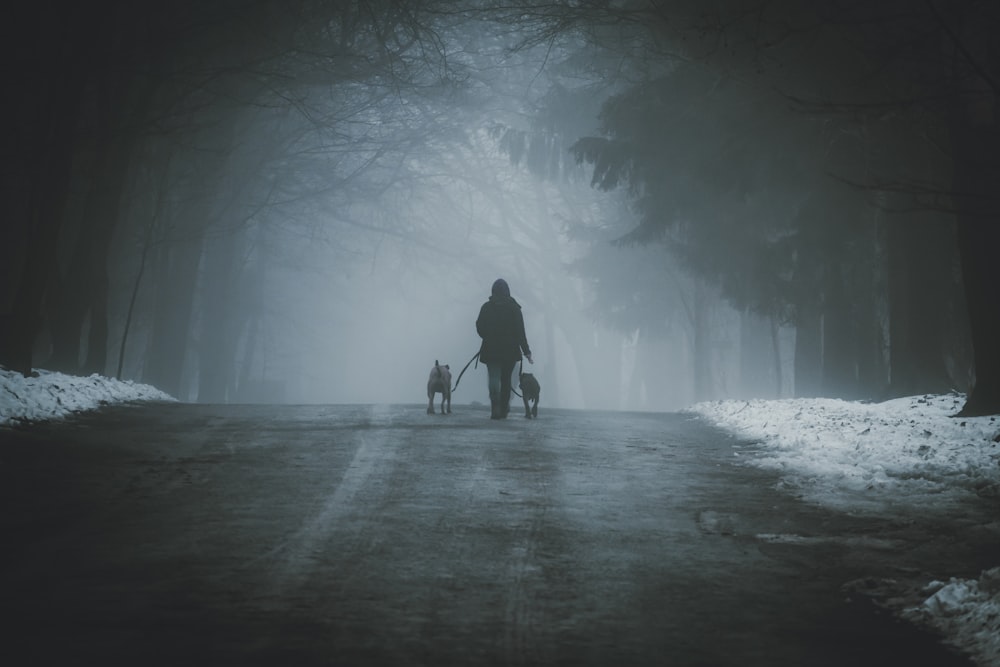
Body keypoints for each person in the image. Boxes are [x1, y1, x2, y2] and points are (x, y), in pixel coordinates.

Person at [476, 278, 533, 419]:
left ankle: (495, 405)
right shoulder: (514, 308)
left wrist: (487, 335)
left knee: (494, 377)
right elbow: (521, 332)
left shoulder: (486, 307)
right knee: (506, 379)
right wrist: (527, 352)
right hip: (510, 350)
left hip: (490, 349)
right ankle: (503, 409)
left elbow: (480, 327)